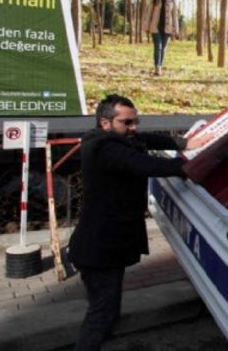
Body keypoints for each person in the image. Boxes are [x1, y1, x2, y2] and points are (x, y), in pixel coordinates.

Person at [68, 94, 211, 350]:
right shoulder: (105, 149)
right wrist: (188, 165)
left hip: (106, 246)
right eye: (127, 123)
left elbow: (147, 139)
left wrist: (185, 142)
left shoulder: (116, 138)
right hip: (99, 250)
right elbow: (143, 163)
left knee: (106, 310)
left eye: (136, 121)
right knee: (101, 315)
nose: (134, 128)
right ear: (105, 122)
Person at [144, 0, 179, 76]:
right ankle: (157, 68)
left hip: (167, 28)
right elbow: (149, 12)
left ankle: (160, 65)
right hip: (156, 27)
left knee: (163, 48)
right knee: (158, 47)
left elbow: (175, 15)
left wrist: (176, 30)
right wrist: (146, 26)